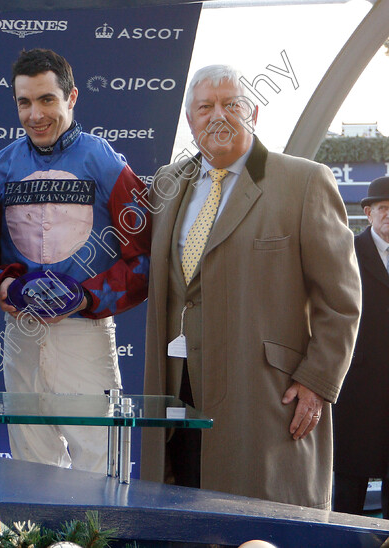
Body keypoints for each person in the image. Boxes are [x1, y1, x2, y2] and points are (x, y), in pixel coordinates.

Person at [140, 64, 360, 508]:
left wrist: (316, 381)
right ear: (190, 121)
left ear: (253, 113)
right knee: (175, 520)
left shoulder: (304, 182)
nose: (217, 115)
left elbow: (341, 301)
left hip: (262, 397)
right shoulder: (168, 183)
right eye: (205, 107)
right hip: (175, 395)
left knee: (255, 523)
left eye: (231, 104)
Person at [0, 48, 150, 473]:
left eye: (47, 99)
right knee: (29, 464)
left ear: (71, 97)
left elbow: (144, 260)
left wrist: (84, 297)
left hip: (84, 336)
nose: (35, 114)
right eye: (24, 102)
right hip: (20, 335)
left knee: (102, 463)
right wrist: (8, 285)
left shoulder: (107, 164)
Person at [333, 176, 389, 516]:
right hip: (356, 384)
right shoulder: (347, 252)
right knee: (349, 484)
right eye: (383, 209)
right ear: (368, 213)